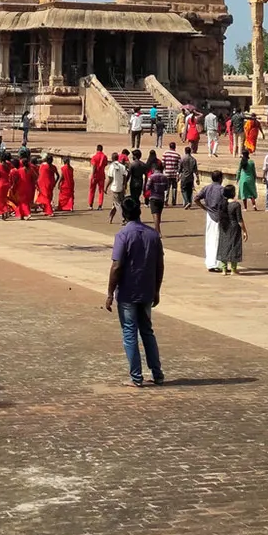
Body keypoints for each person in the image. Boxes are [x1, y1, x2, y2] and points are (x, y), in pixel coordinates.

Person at [104, 195, 165, 387]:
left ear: (124, 212)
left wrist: (109, 293)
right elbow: (160, 265)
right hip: (146, 289)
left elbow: (117, 266)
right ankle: (157, 373)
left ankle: (136, 376)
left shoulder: (123, 235)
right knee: (147, 331)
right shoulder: (152, 235)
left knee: (130, 332)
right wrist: (156, 289)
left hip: (128, 291)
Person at [198, 167, 227, 272]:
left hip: (210, 215)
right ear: (220, 179)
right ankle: (217, 263)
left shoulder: (207, 188)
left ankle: (210, 262)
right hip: (219, 216)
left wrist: (204, 208)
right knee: (218, 239)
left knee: (210, 239)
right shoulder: (222, 190)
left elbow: (196, 198)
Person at [216, 182, 246, 274]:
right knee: (234, 246)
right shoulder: (236, 205)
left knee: (223, 246)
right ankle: (233, 269)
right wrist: (245, 231)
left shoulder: (221, 204)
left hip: (223, 226)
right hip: (234, 227)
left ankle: (224, 269)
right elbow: (239, 220)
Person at [89, 145, 109, 209]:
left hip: (95, 175)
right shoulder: (104, 157)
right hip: (101, 175)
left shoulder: (94, 157)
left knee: (92, 190)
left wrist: (92, 175)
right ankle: (100, 205)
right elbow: (105, 164)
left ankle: (90, 205)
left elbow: (94, 166)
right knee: (101, 191)